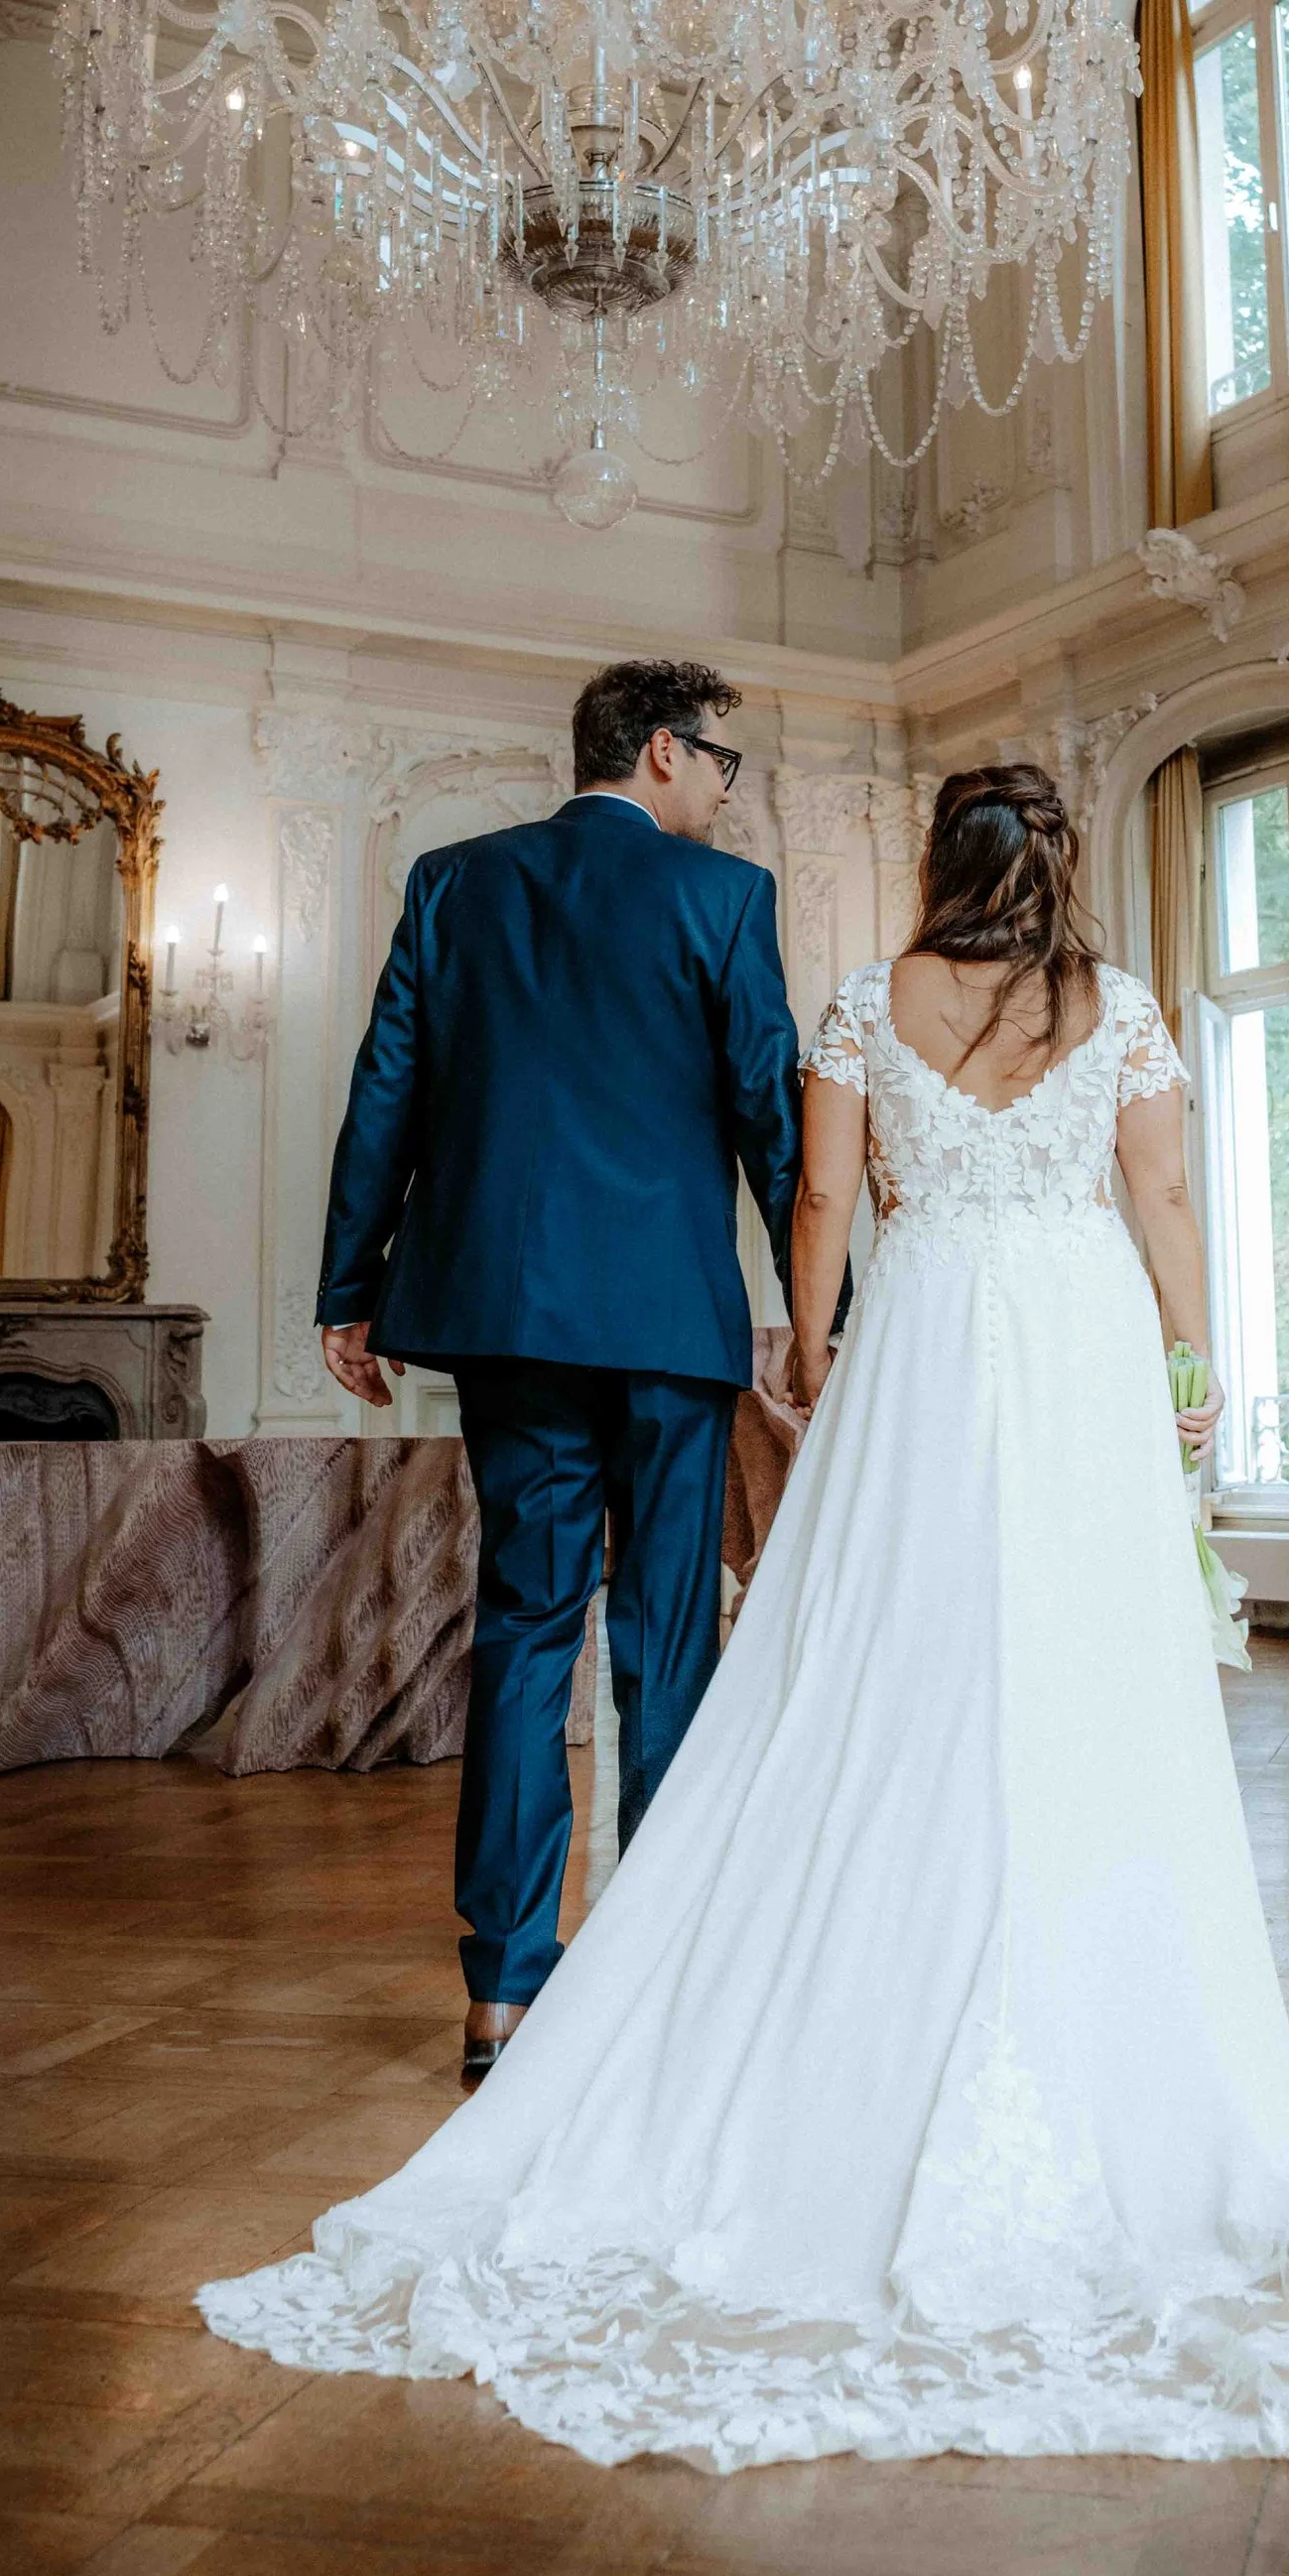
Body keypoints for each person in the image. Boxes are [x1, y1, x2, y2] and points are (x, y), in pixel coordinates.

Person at [206, 765, 1289, 2467]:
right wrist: (1197, 1360)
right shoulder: (1118, 1007)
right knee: (1080, 1672)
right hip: (1081, 1341)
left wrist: (806, 1346)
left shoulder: (868, 1000)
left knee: (881, 1668)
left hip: (931, 1338)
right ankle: (1096, 1981)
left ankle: (693, 1982)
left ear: (941, 864)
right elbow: (1164, 1196)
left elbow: (818, 1197)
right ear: (1061, 868)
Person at [314, 655, 799, 2088]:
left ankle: (504, 1993)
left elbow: (385, 1084)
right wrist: (825, 1299)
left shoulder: (455, 883)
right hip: (663, 1321)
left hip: (507, 1315)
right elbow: (770, 1103)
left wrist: (352, 1284)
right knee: (667, 1641)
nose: (724, 787)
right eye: (719, 759)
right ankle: (661, 1974)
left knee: (526, 1631)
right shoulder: (723, 900)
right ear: (659, 751)